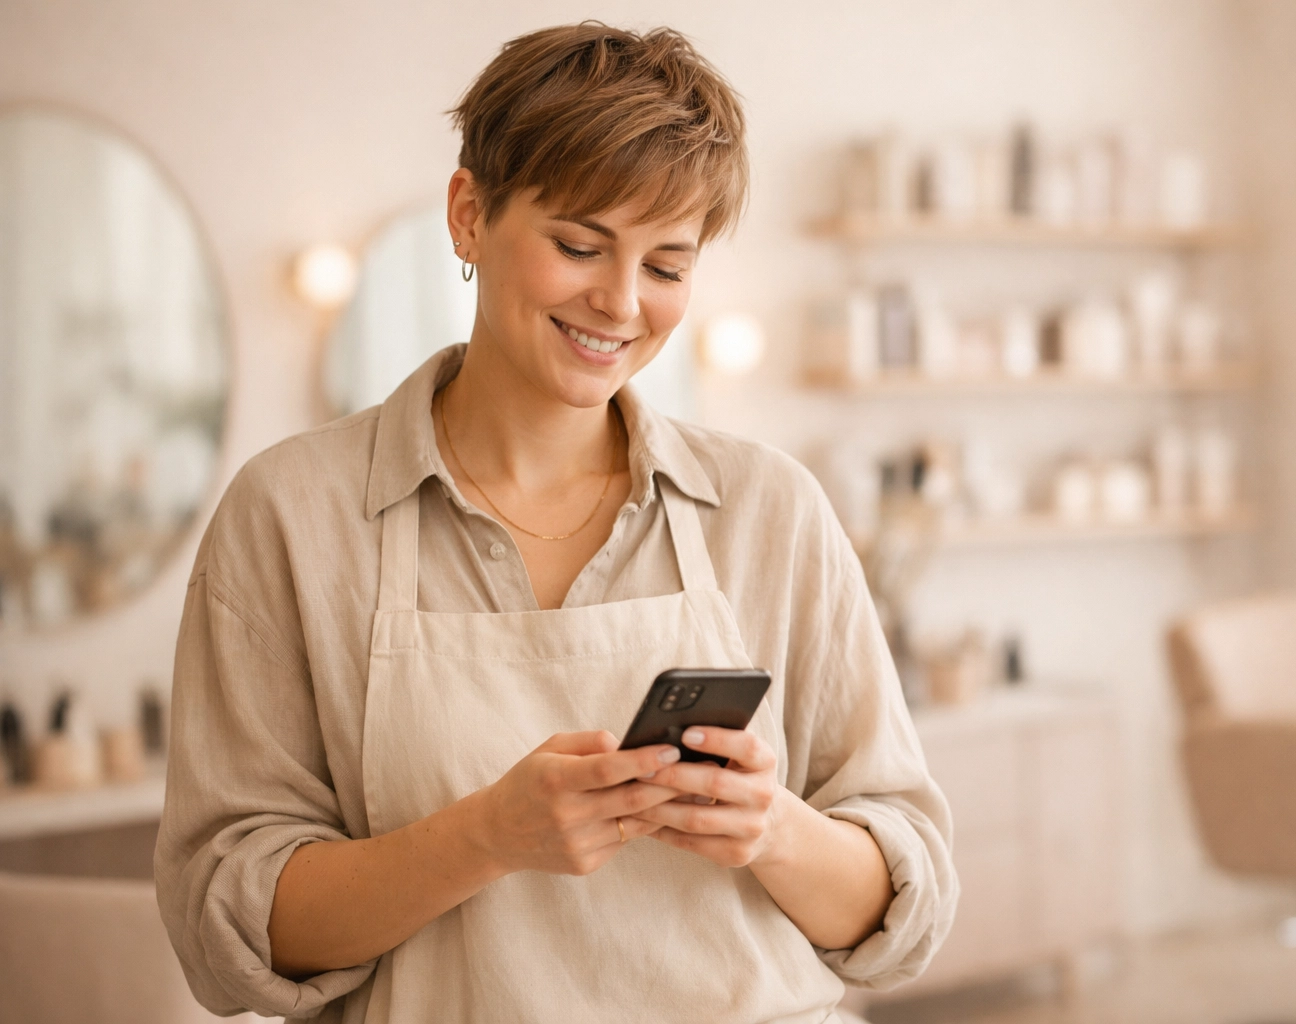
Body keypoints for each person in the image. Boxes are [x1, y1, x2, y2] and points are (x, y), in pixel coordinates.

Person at [155, 22, 956, 1023]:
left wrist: (773, 827)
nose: (620, 303)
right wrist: (485, 836)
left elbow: (905, 905)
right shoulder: (290, 516)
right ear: (468, 214)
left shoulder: (771, 510)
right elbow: (226, 931)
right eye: (579, 245)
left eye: (666, 265)